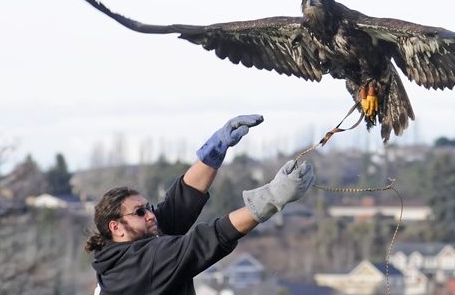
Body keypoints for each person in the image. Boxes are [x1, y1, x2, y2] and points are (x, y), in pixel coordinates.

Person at [84, 114, 315, 295]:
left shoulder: (122, 251)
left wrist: (215, 150)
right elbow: (206, 241)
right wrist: (271, 199)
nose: (150, 215)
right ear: (116, 227)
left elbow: (179, 204)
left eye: (149, 208)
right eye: (140, 212)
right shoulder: (141, 264)